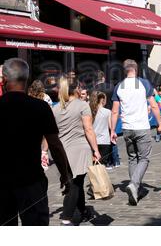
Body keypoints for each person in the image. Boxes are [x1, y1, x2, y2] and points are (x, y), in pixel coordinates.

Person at [0, 58, 71, 226]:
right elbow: (55, 144)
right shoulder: (40, 107)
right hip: (31, 180)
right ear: (26, 79)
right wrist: (65, 173)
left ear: (3, 79)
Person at [111, 59, 161, 206]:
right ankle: (134, 184)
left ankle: (135, 189)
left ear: (125, 70)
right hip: (142, 127)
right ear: (136, 69)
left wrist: (113, 130)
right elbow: (153, 105)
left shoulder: (119, 86)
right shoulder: (144, 83)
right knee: (144, 158)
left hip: (127, 128)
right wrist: (160, 123)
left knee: (133, 158)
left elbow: (115, 111)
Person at [52, 77, 101, 225]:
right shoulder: (82, 105)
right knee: (75, 184)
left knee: (76, 182)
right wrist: (96, 150)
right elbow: (88, 129)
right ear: (77, 89)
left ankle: (82, 211)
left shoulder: (56, 108)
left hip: (62, 151)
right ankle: (67, 218)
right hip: (79, 149)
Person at [28, 80, 53, 170]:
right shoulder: (46, 97)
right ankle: (44, 157)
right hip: (43, 121)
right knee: (45, 138)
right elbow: (50, 111)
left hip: (31, 122)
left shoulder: (28, 96)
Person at [90, 91, 112, 169]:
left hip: (92, 141)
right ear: (102, 100)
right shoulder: (108, 112)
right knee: (102, 165)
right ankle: (101, 180)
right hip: (104, 141)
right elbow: (111, 127)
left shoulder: (90, 111)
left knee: (93, 165)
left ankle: (94, 181)